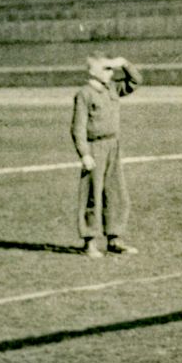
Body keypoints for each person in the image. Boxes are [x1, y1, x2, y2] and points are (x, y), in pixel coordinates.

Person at [70, 51, 143, 258]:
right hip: (95, 148)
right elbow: (78, 127)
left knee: (116, 193)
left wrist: (124, 63)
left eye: (112, 69)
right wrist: (84, 154)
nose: (110, 73)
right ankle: (90, 241)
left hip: (113, 146)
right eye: (106, 68)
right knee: (93, 195)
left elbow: (136, 81)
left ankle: (115, 238)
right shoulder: (84, 94)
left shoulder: (112, 88)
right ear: (93, 71)